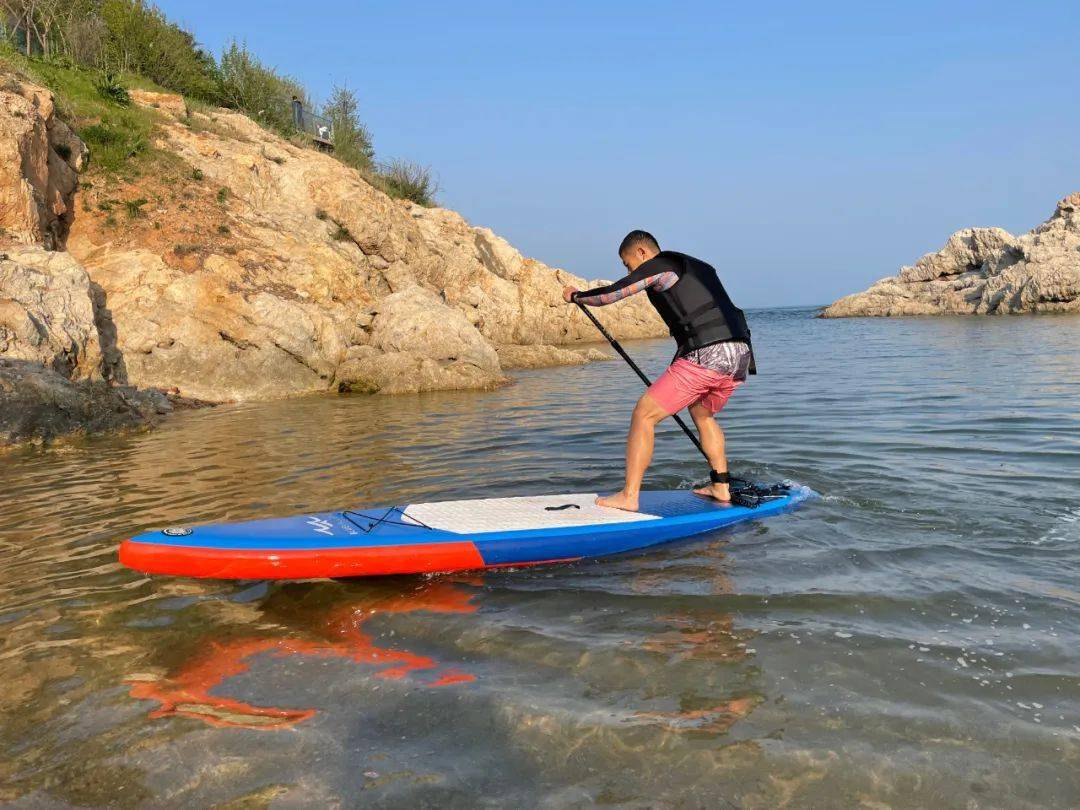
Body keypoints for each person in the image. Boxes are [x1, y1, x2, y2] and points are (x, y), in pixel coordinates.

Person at [562, 230, 755, 512]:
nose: (630, 270)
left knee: (644, 415)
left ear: (642, 252)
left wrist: (578, 296)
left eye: (629, 264)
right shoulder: (698, 265)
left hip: (707, 354)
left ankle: (629, 495)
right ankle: (721, 486)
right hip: (739, 353)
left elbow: (614, 293)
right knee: (702, 413)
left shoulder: (661, 266)